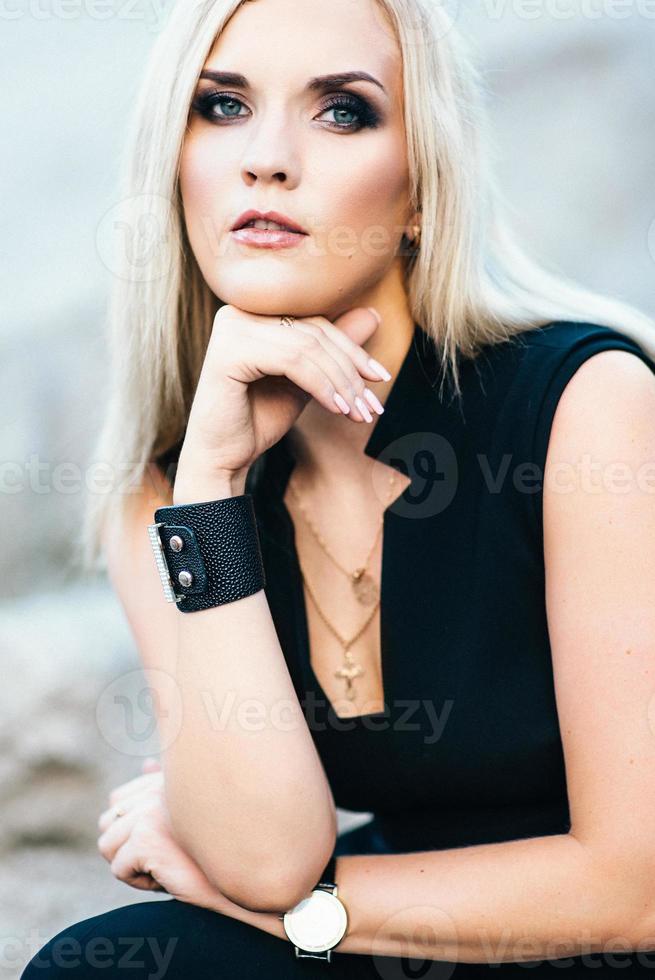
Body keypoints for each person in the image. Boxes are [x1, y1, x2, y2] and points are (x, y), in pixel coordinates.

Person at [22, 0, 655, 975]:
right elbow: (268, 856)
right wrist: (213, 489)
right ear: (174, 167)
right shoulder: (164, 492)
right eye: (222, 107)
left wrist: (288, 904)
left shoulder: (583, 403)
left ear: (419, 191)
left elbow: (633, 886)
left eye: (342, 111)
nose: (266, 158)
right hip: (405, 916)